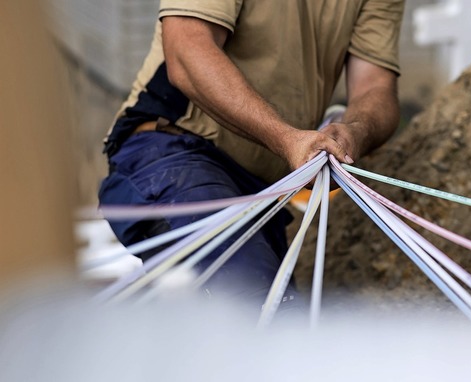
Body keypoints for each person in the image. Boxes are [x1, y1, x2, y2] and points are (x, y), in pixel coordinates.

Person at [99, 0, 404, 308]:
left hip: (261, 192)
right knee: (258, 309)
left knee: (278, 322)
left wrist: (353, 131)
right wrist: (287, 139)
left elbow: (375, 85)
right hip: (174, 153)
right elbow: (187, 49)